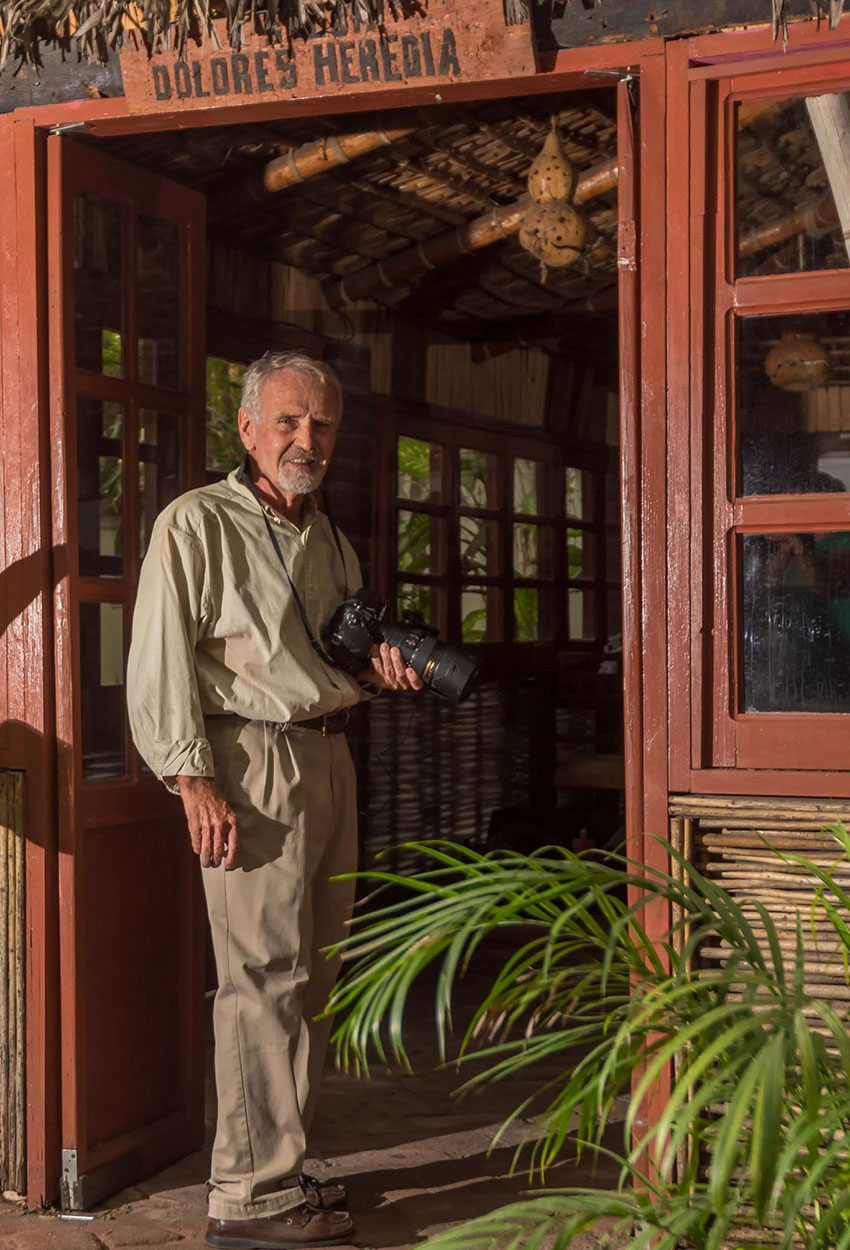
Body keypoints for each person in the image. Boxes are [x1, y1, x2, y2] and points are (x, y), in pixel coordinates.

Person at [127, 351, 422, 1249]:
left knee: (314, 979)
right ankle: (247, 1199)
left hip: (329, 760)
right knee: (258, 983)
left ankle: (281, 1170)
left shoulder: (328, 536)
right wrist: (192, 778)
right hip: (247, 765)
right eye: (289, 421)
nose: (308, 439)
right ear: (247, 425)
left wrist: (380, 676)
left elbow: (320, 665)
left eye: (323, 424)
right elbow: (158, 659)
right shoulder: (196, 523)